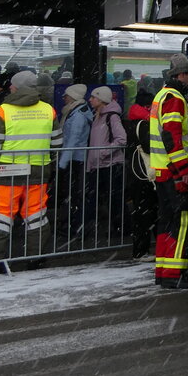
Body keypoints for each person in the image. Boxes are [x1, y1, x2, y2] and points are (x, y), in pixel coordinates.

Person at [0, 70, 62, 263]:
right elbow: (57, 144)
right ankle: (35, 257)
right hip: (39, 170)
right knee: (36, 215)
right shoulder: (48, 110)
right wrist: (49, 165)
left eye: (12, 85)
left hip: (8, 171)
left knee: (2, 216)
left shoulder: (3, 111)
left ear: (15, 88)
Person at [150, 53, 188, 289]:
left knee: (166, 222)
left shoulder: (162, 95)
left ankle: (163, 271)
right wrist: (184, 171)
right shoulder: (175, 99)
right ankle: (175, 274)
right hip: (175, 172)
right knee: (180, 224)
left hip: (163, 170)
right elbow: (172, 138)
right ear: (180, 75)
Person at [85, 86, 127, 243]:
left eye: (93, 97)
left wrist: (103, 152)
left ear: (101, 99)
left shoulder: (111, 117)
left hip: (110, 165)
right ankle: (117, 228)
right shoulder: (98, 116)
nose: (90, 100)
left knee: (114, 199)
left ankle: (120, 228)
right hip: (100, 165)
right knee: (101, 198)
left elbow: (121, 139)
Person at [56, 83, 93, 239]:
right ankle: (75, 224)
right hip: (74, 158)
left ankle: (76, 226)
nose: (64, 97)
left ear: (73, 97)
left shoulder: (77, 115)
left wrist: (62, 163)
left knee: (76, 194)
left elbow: (73, 140)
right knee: (75, 194)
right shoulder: (75, 112)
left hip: (75, 159)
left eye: (66, 95)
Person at [127, 88, 157, 259]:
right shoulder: (144, 123)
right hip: (144, 175)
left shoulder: (132, 121)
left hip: (135, 173)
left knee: (141, 212)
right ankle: (142, 250)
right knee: (147, 212)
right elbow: (149, 147)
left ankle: (139, 249)